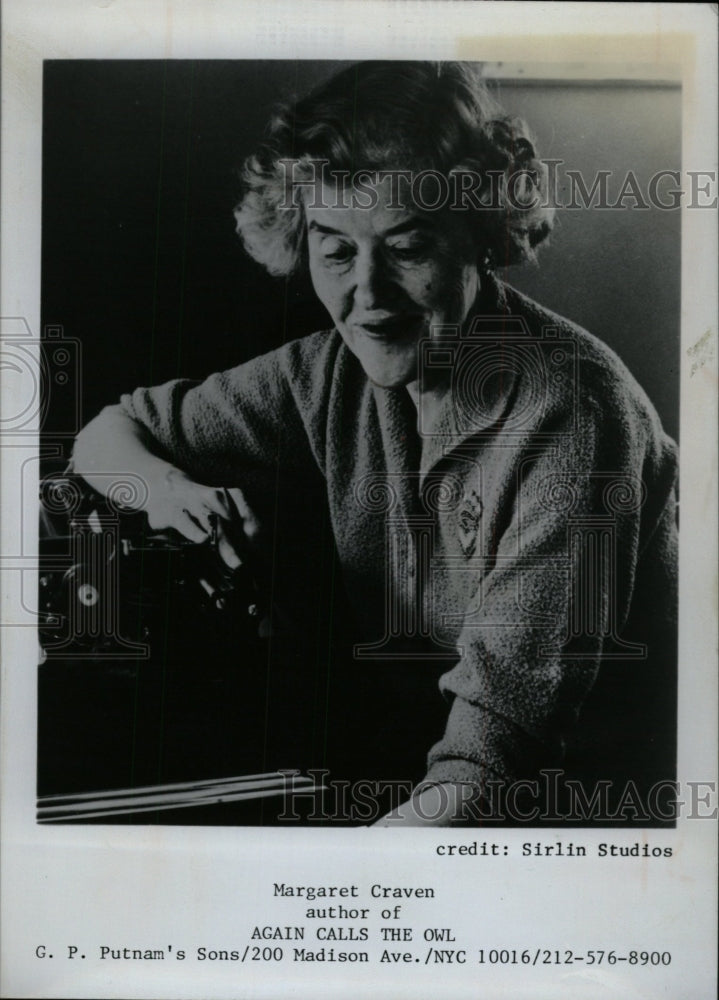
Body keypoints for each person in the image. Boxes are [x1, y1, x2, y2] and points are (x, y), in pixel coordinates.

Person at [72, 61, 678, 826]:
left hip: (602, 822)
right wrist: (165, 492)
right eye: (333, 249)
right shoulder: (327, 371)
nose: (366, 295)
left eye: (406, 247)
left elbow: (496, 756)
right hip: (431, 796)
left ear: (482, 234)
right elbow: (108, 435)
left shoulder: (570, 416)